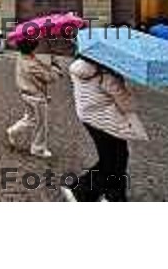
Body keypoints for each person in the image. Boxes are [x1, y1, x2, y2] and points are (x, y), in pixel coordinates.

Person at [61, 56, 148, 202]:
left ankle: (110, 195)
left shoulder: (79, 67)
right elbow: (128, 105)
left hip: (89, 118)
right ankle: (84, 191)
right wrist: (122, 82)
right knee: (116, 159)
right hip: (108, 122)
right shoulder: (107, 76)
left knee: (113, 159)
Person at [6, 39, 62, 158]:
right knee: (41, 124)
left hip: (27, 94)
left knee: (31, 119)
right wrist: (55, 64)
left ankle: (13, 131)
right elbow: (50, 77)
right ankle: (38, 148)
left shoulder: (22, 57)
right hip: (36, 97)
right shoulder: (32, 64)